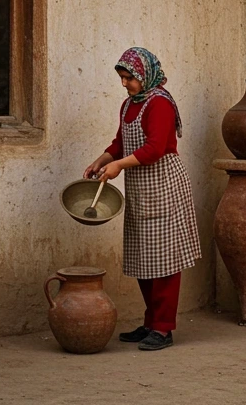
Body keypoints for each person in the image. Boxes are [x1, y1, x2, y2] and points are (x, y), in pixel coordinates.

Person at [84, 47, 201, 351]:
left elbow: (155, 148)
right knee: (144, 257)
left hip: (164, 186)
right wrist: (102, 160)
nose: (125, 83)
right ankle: (151, 323)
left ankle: (163, 328)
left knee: (165, 261)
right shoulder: (128, 105)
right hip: (141, 189)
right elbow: (121, 142)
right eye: (122, 78)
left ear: (145, 75)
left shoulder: (159, 104)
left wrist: (118, 166)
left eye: (129, 78)